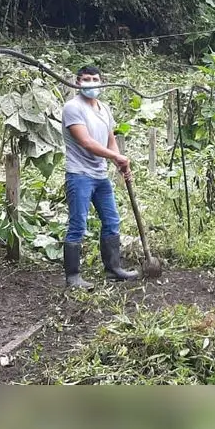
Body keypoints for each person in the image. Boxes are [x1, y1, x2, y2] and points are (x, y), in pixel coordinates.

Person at [60, 65, 138, 289]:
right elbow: (87, 142)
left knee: (112, 220)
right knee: (78, 224)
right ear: (77, 82)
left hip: (100, 175)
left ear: (102, 82)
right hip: (80, 174)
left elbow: (109, 138)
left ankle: (113, 269)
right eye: (86, 79)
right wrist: (115, 156)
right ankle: (73, 277)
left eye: (95, 79)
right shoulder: (72, 108)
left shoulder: (103, 108)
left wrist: (118, 160)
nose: (91, 83)